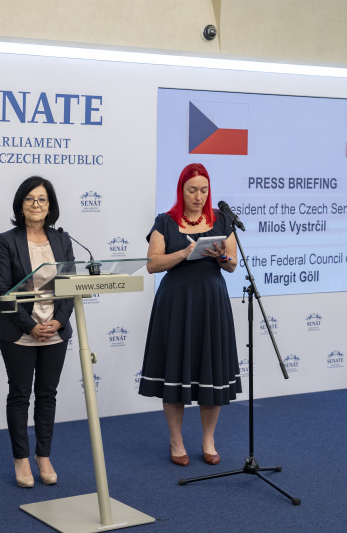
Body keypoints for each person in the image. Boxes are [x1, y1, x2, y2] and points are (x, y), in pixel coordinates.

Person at [138, 163, 241, 467]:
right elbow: (152, 264)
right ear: (181, 190)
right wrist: (184, 253)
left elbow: (233, 264)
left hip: (212, 302)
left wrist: (221, 256)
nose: (198, 196)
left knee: (212, 371)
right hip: (176, 303)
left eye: (204, 190)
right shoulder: (165, 221)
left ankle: (208, 440)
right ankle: (176, 440)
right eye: (192, 190)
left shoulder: (222, 220)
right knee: (175, 370)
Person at [0, 176, 75, 488]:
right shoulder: (7, 240)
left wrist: (59, 321)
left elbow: (71, 286)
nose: (36, 204)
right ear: (20, 205)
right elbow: (2, 290)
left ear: (50, 206)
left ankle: (44, 455)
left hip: (55, 331)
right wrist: (30, 325)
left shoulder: (62, 240)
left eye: (42, 199)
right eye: (29, 199)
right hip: (19, 331)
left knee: (47, 395)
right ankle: (21, 458)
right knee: (20, 395)